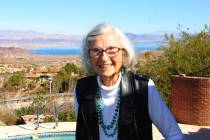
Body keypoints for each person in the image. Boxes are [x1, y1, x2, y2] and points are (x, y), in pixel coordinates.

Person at [74, 23, 184, 140]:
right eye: (96, 50)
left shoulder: (142, 88)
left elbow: (174, 135)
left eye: (111, 49)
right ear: (89, 56)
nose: (104, 58)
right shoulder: (82, 89)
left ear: (124, 54)